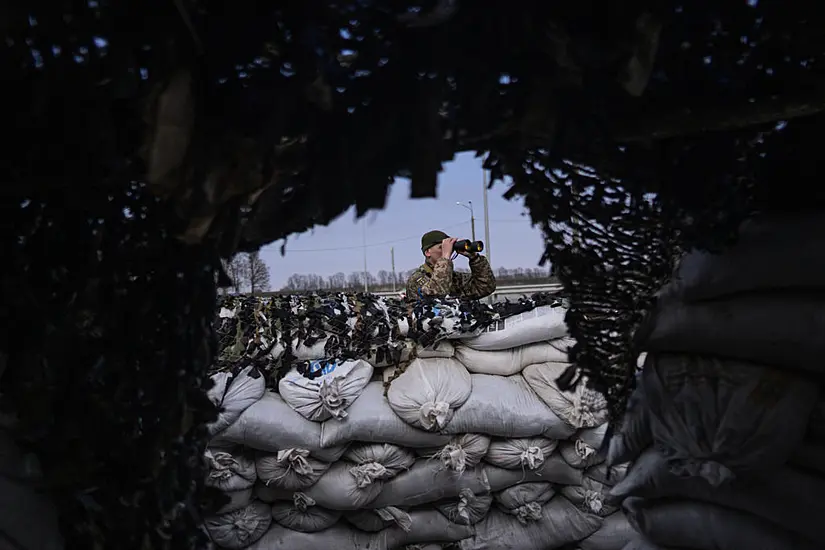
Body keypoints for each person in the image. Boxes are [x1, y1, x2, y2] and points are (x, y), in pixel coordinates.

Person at [405, 230, 497, 301]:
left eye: (449, 248)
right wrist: (445, 258)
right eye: (441, 248)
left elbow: (486, 287)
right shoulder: (417, 279)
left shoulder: (455, 277)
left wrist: (475, 259)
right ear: (427, 252)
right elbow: (437, 294)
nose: (448, 251)